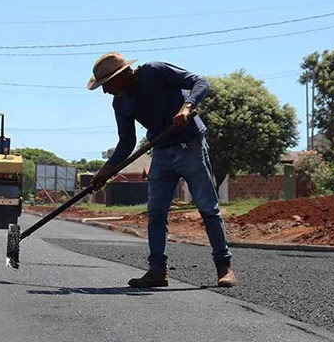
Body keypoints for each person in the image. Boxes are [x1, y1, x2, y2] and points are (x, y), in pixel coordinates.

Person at [87, 52, 237, 288]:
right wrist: (105, 171)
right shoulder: (120, 103)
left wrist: (187, 107)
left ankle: (224, 267)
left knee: (208, 208)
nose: (105, 91)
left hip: (191, 146)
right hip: (162, 152)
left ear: (123, 75)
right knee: (156, 212)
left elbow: (201, 82)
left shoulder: (154, 71)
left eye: (107, 84)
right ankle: (157, 270)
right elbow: (126, 143)